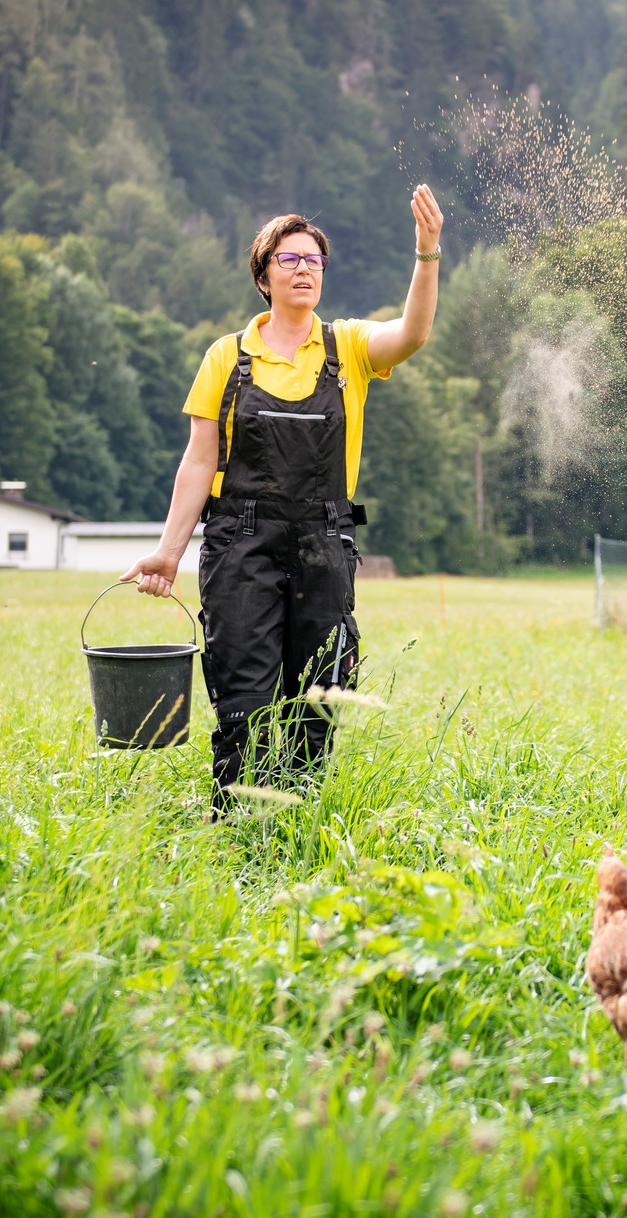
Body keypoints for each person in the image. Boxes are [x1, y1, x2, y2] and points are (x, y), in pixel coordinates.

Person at [123, 186, 444, 816]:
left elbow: (411, 334)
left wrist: (426, 255)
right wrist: (168, 552)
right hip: (239, 543)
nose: (304, 267)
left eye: (314, 260)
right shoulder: (227, 358)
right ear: (264, 276)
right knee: (243, 693)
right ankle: (235, 823)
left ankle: (296, 820)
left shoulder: (347, 347)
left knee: (320, 692)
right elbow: (197, 461)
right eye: (289, 258)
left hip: (325, 542)